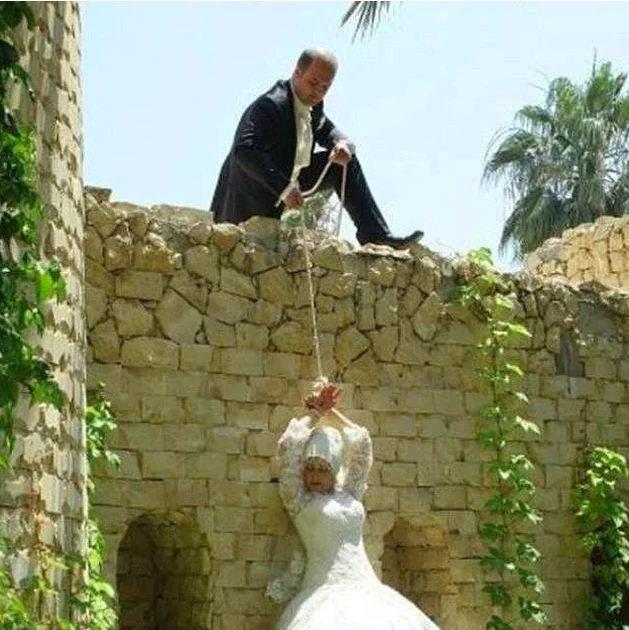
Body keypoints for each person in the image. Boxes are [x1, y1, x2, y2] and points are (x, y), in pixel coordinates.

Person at [210, 48, 424, 249]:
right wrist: (284, 188)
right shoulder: (270, 105)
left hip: (289, 182)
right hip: (247, 198)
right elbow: (245, 151)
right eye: (313, 83)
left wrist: (341, 143)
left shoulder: (314, 104)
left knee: (345, 163)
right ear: (297, 72)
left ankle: (375, 235)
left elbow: (324, 127)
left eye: (325, 87)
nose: (318, 92)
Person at [270, 382, 440, 629]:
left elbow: (361, 444)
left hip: (367, 588)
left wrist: (330, 412)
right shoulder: (299, 499)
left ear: (334, 471)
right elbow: (289, 447)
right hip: (323, 593)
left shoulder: (350, 494)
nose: (315, 476)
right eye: (310, 468)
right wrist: (314, 414)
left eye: (323, 469)